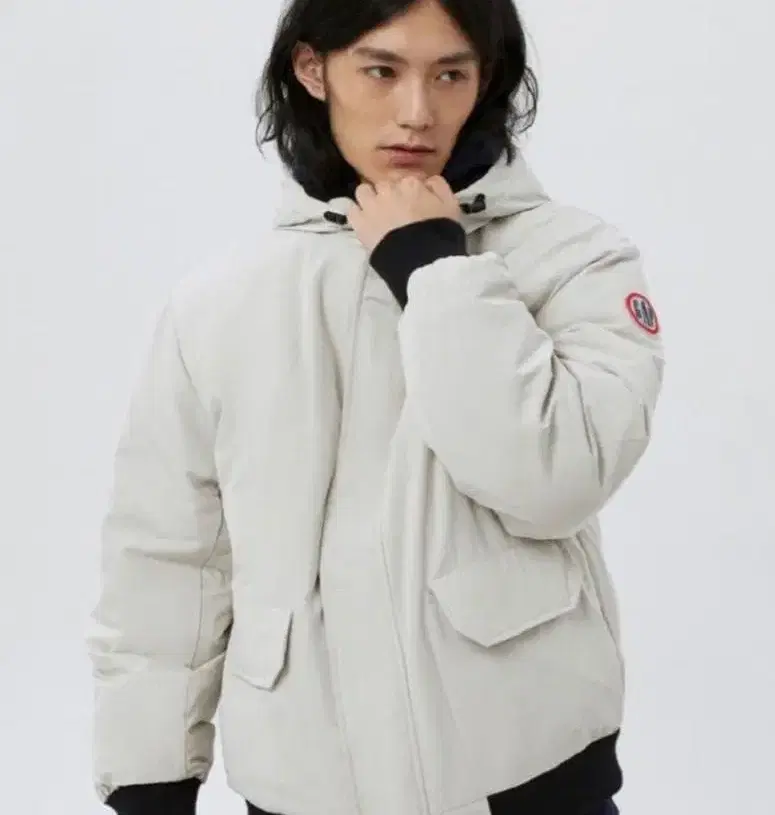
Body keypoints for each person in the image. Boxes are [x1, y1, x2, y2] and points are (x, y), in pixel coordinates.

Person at [86, 0, 664, 812]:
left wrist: (432, 270)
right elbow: (168, 556)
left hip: (523, 779)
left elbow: (553, 477)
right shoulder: (217, 303)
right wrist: (149, 777)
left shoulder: (573, 259)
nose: (416, 112)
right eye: (381, 71)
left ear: (485, 81)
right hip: (304, 785)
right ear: (312, 69)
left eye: (450, 74)